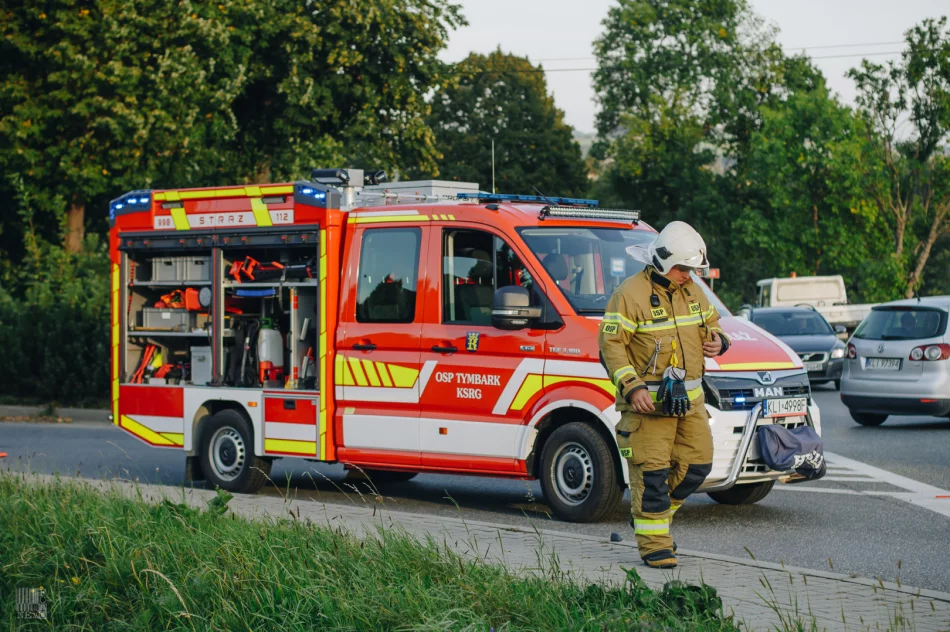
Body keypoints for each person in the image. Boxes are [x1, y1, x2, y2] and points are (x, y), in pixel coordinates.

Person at [598, 221, 731, 569]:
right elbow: (611, 347)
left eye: (692, 270)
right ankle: (655, 545)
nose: (689, 275)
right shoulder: (628, 295)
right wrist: (633, 386)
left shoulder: (692, 291)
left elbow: (712, 323)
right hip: (647, 407)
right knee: (652, 476)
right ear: (661, 261)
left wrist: (719, 339)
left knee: (697, 465)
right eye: (683, 269)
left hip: (690, 403)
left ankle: (648, 517)